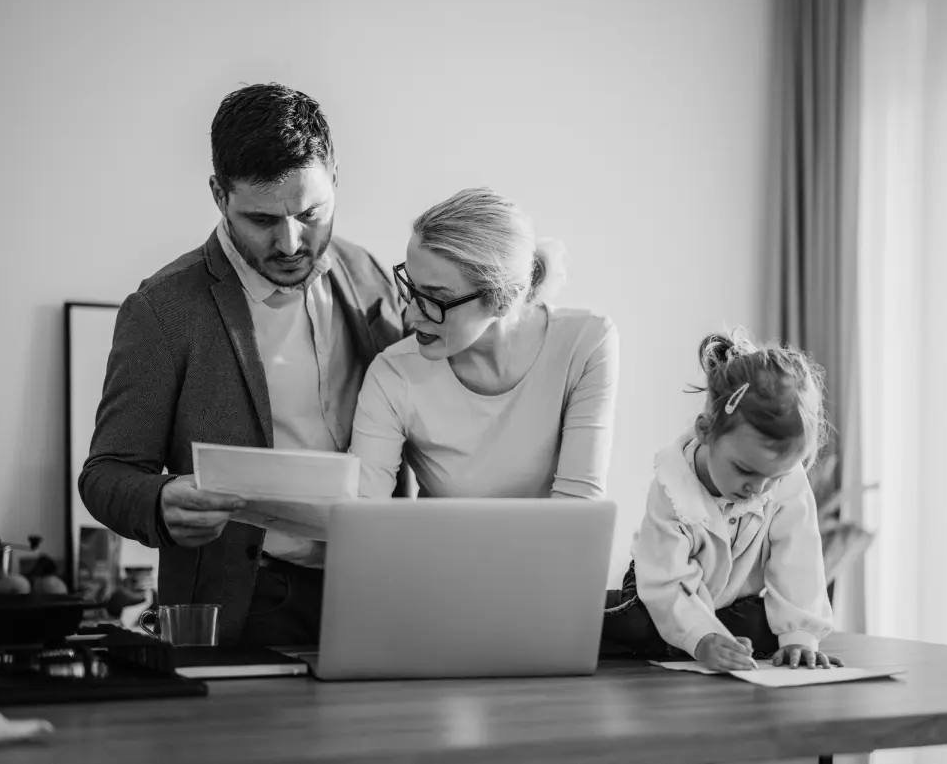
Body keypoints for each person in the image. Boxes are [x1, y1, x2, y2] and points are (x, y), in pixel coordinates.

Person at [80, 83, 406, 647]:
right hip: (249, 602)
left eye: (310, 212)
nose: (290, 242)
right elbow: (106, 473)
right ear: (217, 193)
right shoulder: (162, 310)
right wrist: (160, 500)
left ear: (336, 177)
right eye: (261, 219)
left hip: (382, 587)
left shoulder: (371, 273)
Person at [349, 187, 618, 502]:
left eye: (434, 299)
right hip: (434, 553)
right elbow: (363, 519)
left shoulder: (586, 343)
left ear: (502, 300)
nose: (409, 315)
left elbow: (577, 512)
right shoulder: (392, 375)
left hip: (549, 552)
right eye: (411, 288)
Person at [602, 329, 841, 670]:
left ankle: (700, 638)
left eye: (773, 477)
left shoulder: (785, 480)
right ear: (705, 431)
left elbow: (798, 562)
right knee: (638, 624)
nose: (758, 489)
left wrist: (799, 637)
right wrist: (702, 639)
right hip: (659, 585)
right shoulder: (672, 487)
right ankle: (667, 634)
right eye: (745, 470)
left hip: (729, 600)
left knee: (771, 628)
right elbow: (666, 582)